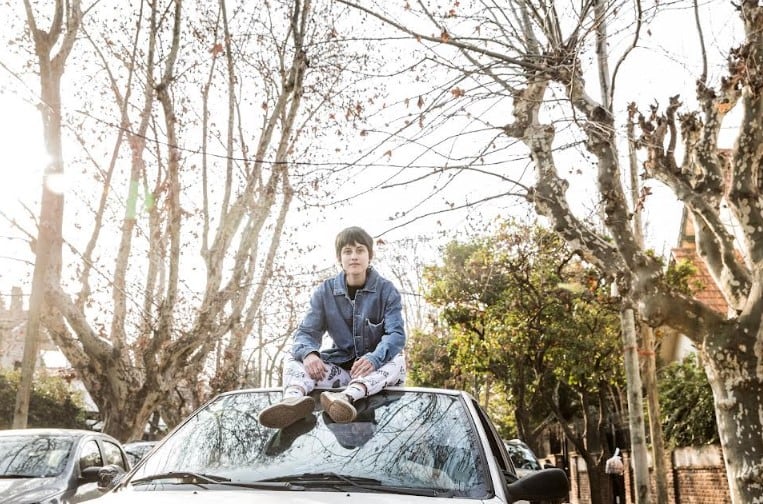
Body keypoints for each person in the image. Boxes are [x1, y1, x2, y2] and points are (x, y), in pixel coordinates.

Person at [258, 226, 406, 429]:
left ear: (369, 256)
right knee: (294, 355)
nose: (354, 256)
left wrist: (374, 358)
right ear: (339, 258)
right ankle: (292, 400)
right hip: (341, 375)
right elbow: (306, 333)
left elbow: (396, 335)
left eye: (360, 250)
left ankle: (346, 398)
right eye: (347, 251)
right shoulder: (324, 291)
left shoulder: (387, 291)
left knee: (398, 358)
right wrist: (309, 354)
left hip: (376, 375)